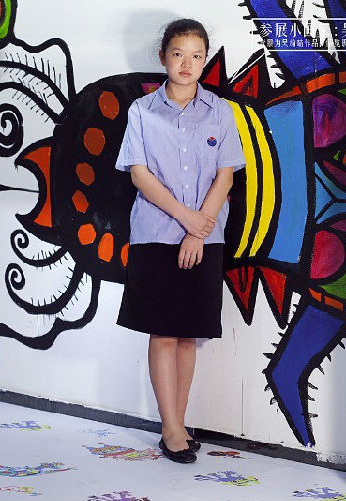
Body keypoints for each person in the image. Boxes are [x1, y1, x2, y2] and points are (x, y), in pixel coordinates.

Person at [114, 18, 246, 464]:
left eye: (196, 56)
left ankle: (179, 422)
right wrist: (188, 220)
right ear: (163, 57)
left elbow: (225, 175)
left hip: (206, 238)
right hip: (156, 235)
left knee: (189, 334)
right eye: (178, 54)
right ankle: (170, 429)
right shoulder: (142, 112)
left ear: (204, 61)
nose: (187, 64)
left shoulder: (220, 111)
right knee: (164, 331)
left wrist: (197, 230)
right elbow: (139, 175)